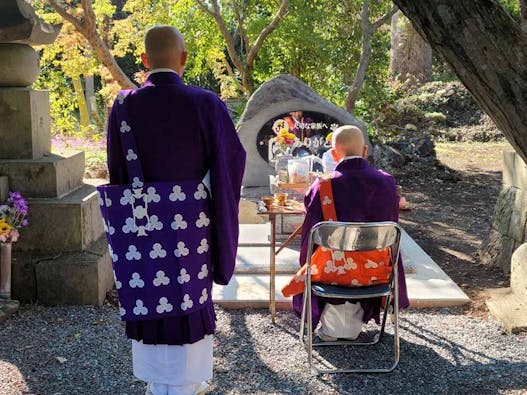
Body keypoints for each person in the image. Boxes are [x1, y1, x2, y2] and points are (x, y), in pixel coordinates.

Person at [106, 25, 246, 395]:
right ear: (183, 58)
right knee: (188, 296)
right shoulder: (206, 104)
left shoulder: (122, 106)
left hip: (141, 226)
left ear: (144, 61)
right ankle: (188, 383)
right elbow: (230, 164)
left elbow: (118, 172)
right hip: (190, 228)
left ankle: (157, 383)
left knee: (149, 289)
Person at [292, 125, 409, 341]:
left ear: (334, 154)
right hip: (376, 271)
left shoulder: (323, 185)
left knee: (319, 259)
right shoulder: (386, 183)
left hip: (332, 271)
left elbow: (310, 234)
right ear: (364, 151)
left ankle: (328, 328)